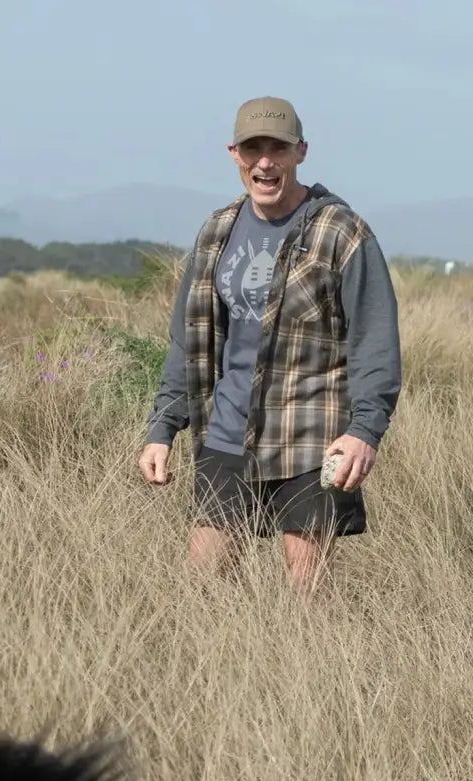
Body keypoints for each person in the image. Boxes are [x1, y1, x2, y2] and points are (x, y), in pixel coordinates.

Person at [139, 95, 403, 594]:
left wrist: (366, 430)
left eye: (277, 148)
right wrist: (163, 427)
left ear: (300, 152)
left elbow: (375, 341)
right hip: (227, 429)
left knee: (308, 595)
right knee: (203, 585)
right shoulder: (218, 229)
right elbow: (188, 339)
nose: (264, 161)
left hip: (311, 431)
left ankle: (318, 673)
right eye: (252, 148)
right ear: (233, 153)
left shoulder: (340, 231)